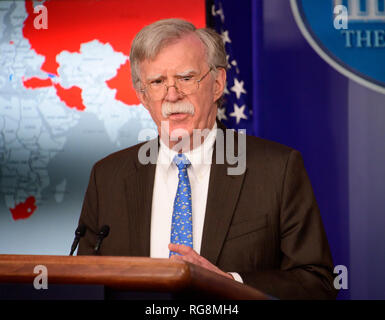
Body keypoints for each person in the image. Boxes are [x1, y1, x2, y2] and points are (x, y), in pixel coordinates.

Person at [77, 18, 337, 299]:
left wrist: (230, 283)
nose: (172, 95)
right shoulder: (107, 177)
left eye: (186, 78)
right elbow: (86, 283)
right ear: (142, 95)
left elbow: (316, 283)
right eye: (157, 82)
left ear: (217, 83)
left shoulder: (276, 170)